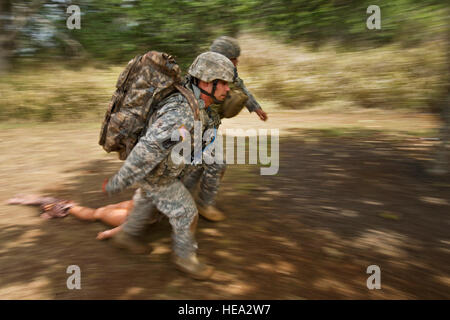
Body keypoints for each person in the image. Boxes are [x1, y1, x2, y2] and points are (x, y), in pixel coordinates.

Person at [103, 51, 235, 280]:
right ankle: (185, 259)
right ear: (206, 82)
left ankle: (126, 236)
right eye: (222, 83)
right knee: (186, 212)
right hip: (156, 172)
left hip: (161, 167)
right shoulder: (181, 113)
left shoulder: (194, 101)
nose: (227, 89)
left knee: (146, 198)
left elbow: (177, 140)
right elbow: (149, 150)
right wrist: (118, 181)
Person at [182, 36, 268, 222]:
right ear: (222, 57)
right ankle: (202, 204)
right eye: (233, 59)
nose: (236, 63)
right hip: (194, 127)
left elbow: (241, 87)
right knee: (215, 164)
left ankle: (189, 196)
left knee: (205, 164)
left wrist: (255, 107)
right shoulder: (201, 73)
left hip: (209, 126)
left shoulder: (227, 72)